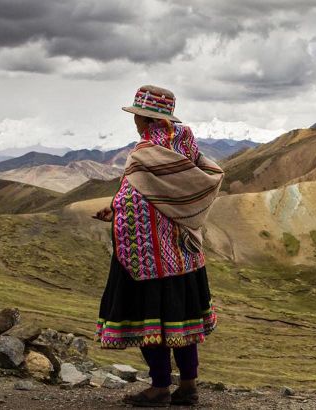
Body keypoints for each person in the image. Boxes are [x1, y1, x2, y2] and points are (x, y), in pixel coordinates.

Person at [93, 85, 224, 407]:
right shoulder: (187, 149)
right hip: (185, 254)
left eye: (136, 116)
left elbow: (137, 202)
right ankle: (189, 385)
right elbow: (175, 196)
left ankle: (160, 387)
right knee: (182, 322)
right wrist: (119, 206)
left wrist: (117, 211)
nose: (135, 122)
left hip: (146, 260)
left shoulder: (146, 153)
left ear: (141, 117)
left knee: (150, 320)